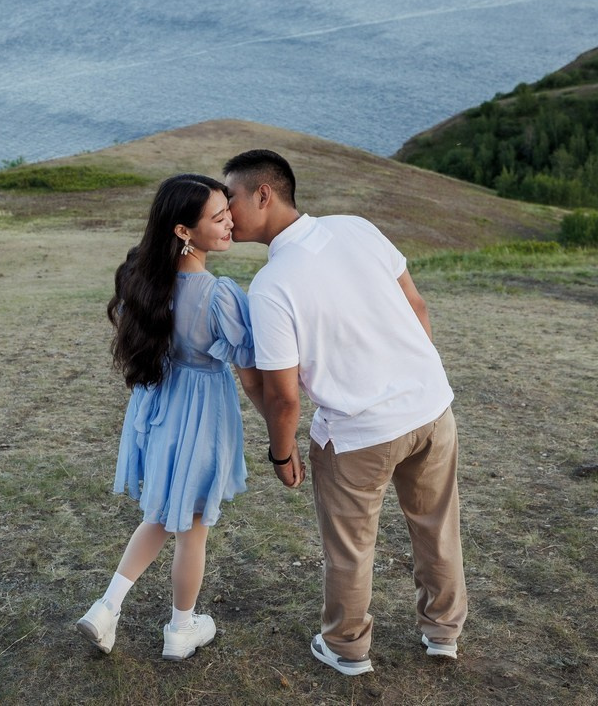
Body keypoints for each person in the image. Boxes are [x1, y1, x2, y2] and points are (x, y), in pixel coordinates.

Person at [222, 149, 467, 676]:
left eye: (231, 196)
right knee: (437, 527)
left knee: (351, 549)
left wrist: (280, 454)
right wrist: (412, 380)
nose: (225, 209)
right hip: (431, 408)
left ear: (263, 194)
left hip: (358, 435)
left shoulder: (270, 286)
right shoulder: (356, 228)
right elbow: (417, 307)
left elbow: (284, 397)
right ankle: (443, 634)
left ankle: (348, 648)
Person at [76, 173, 265, 661]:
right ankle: (182, 628)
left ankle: (107, 606)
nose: (231, 222)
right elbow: (249, 368)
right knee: (194, 523)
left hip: (161, 404)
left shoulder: (146, 279)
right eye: (218, 217)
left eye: (229, 212)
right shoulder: (219, 293)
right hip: (202, 411)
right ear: (184, 231)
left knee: (162, 513)